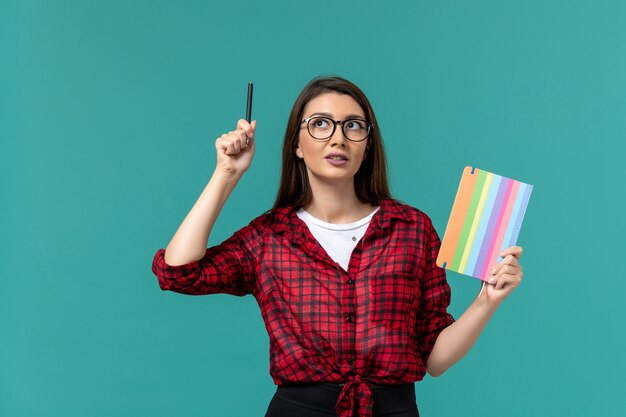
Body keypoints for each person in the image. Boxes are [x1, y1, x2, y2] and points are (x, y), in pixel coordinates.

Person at [151, 76, 524, 417]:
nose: (338, 138)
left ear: (367, 145)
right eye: (320, 123)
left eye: (353, 126)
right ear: (296, 144)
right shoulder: (268, 237)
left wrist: (486, 302)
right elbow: (177, 271)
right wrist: (226, 173)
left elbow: (435, 360)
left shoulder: (413, 229)